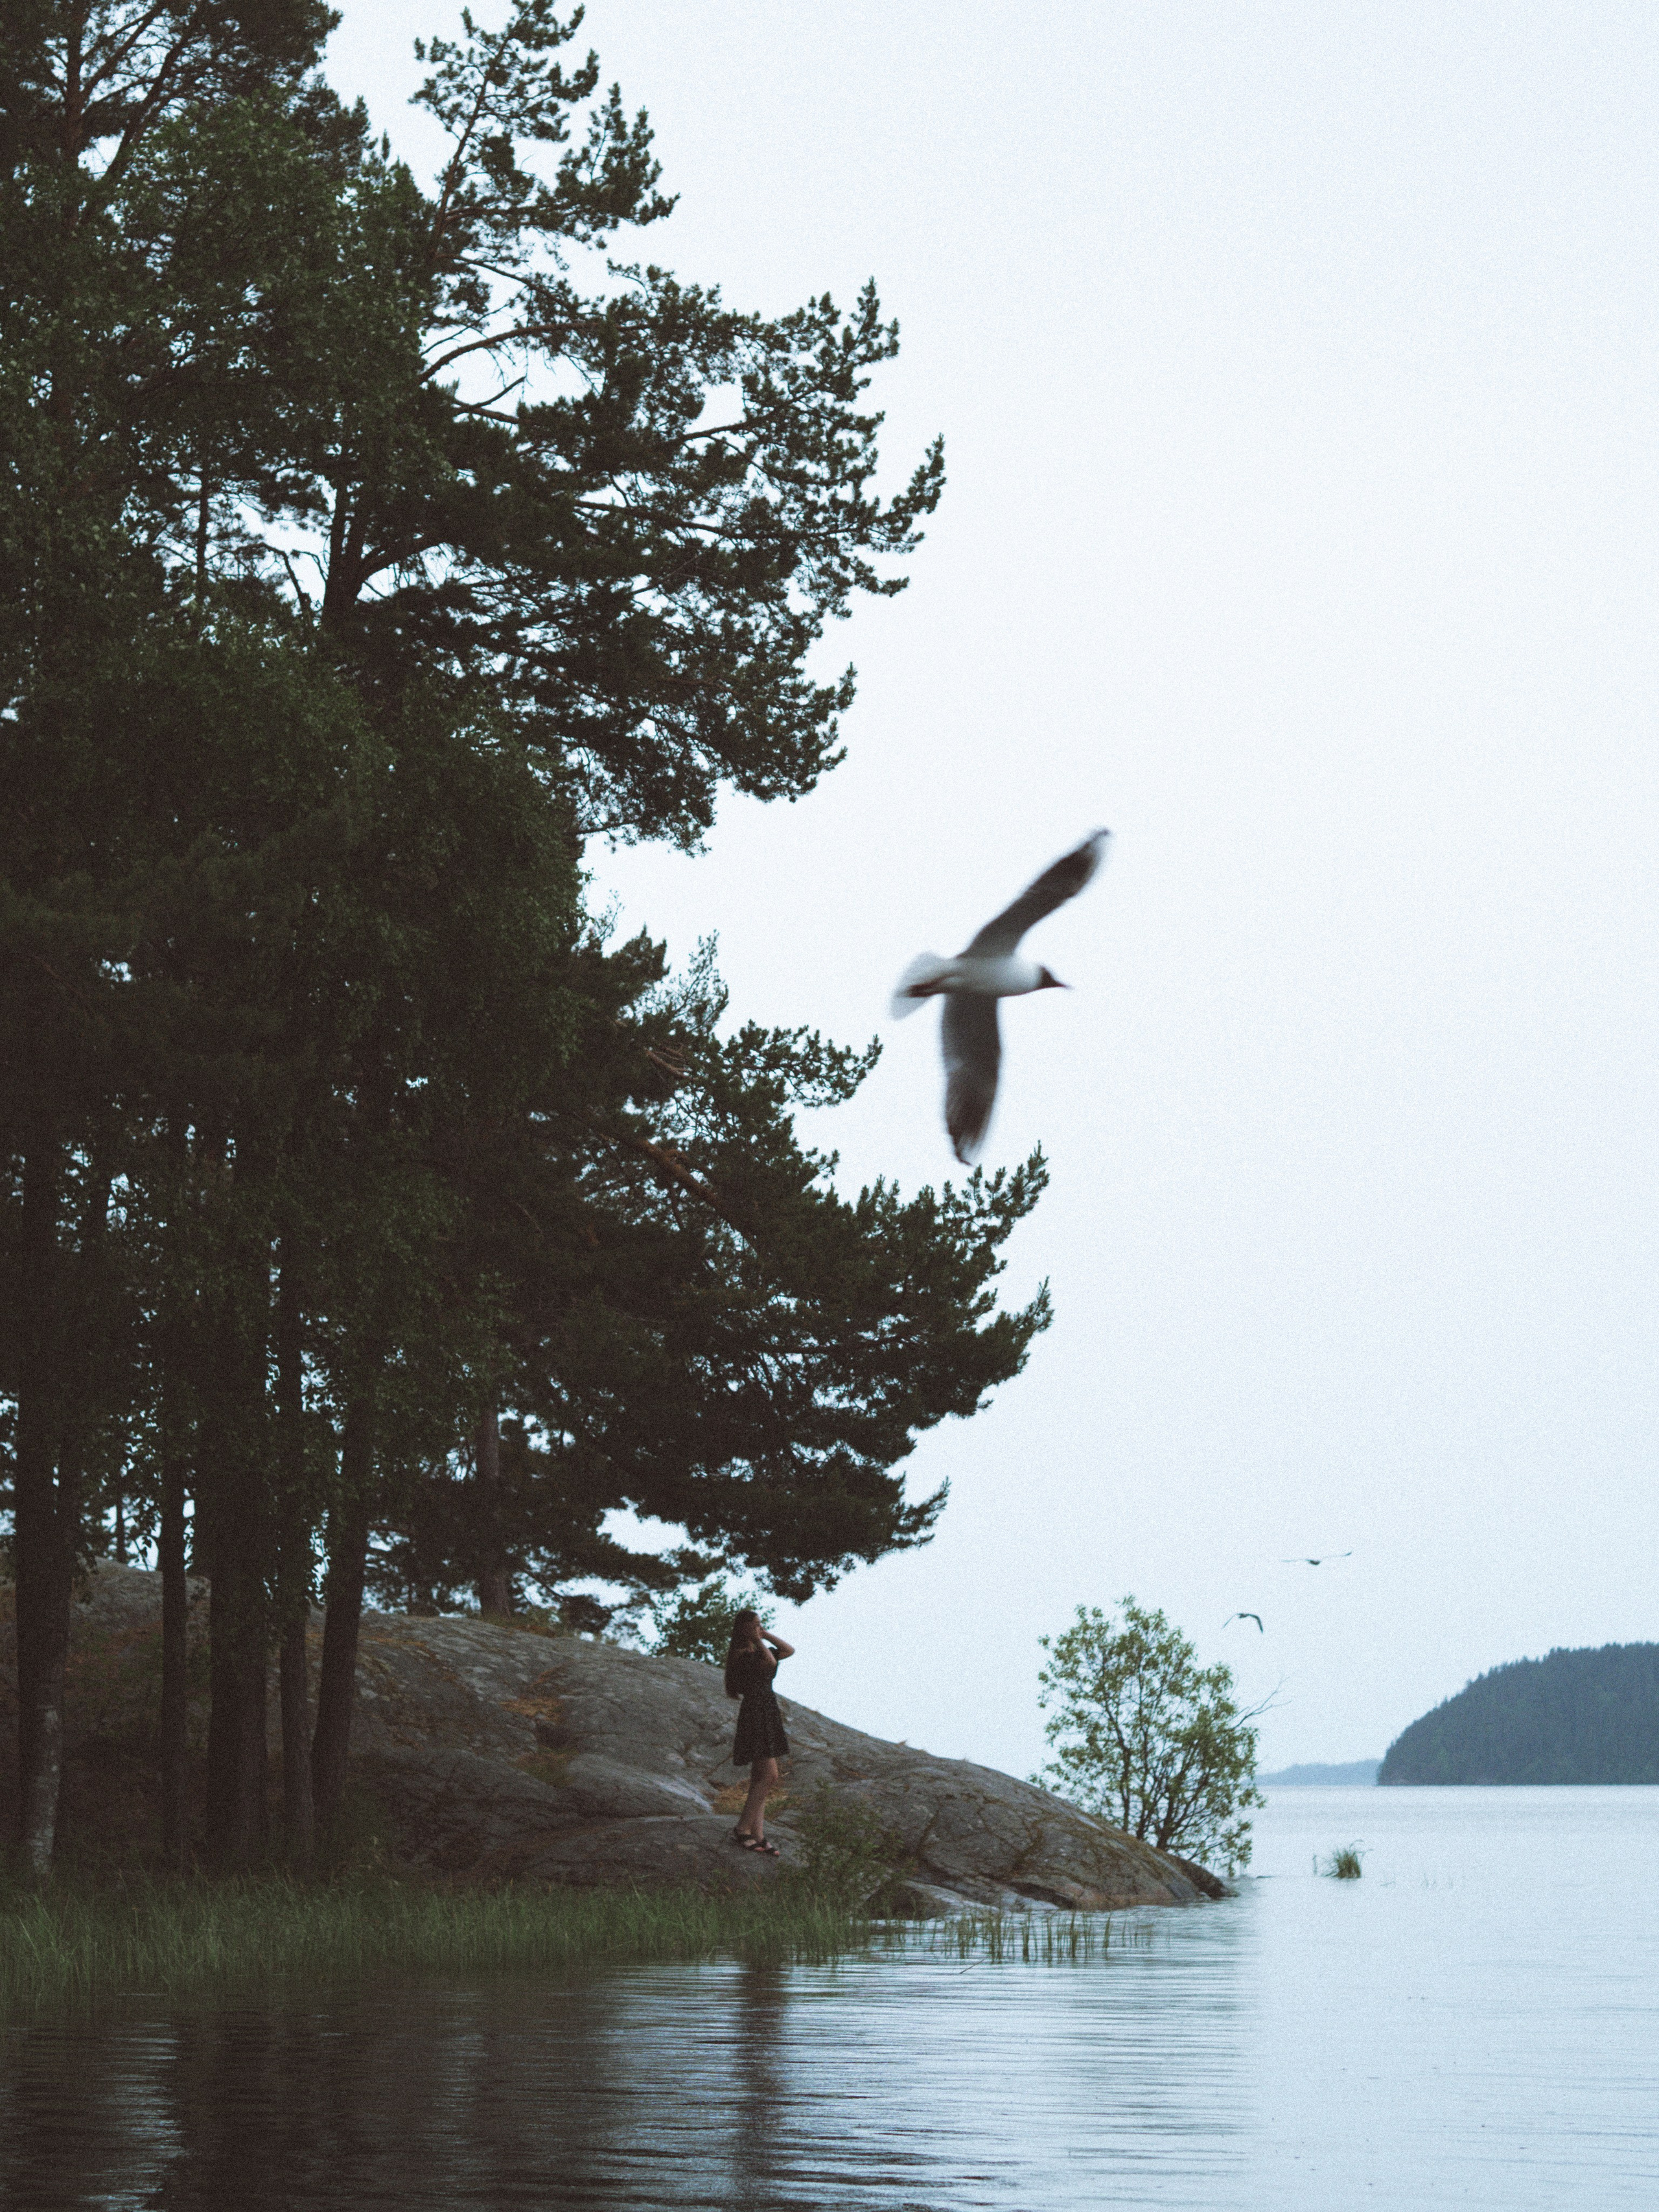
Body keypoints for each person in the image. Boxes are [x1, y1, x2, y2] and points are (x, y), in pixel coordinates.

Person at [724, 1611, 795, 1855]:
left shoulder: (756, 1650)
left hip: (766, 1711)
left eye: (760, 1625)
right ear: (743, 1629)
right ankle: (743, 1828)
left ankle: (759, 1835)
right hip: (756, 1712)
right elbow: (771, 1663)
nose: (759, 1628)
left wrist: (763, 1634)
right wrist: (757, 1640)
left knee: (760, 1777)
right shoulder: (742, 1655)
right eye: (755, 1625)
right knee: (770, 1776)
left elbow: (788, 1651)